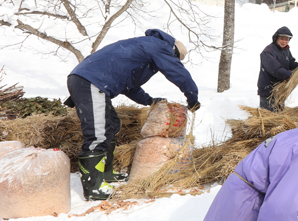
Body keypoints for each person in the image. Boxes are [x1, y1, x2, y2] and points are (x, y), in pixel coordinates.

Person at [66, 29, 200, 201]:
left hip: (93, 81)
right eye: (174, 58)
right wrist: (192, 97)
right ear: (173, 52)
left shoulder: (143, 49)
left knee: (110, 126)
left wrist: (150, 100)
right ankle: (93, 187)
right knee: (97, 133)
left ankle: (106, 175)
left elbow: (129, 86)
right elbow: (178, 73)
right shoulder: (159, 46)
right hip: (91, 81)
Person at [257, 27, 298, 111]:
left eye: (287, 39)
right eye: (282, 39)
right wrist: (289, 75)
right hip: (268, 90)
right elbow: (275, 69)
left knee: (278, 115)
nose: (284, 41)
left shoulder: (285, 50)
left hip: (280, 90)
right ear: (276, 38)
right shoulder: (268, 51)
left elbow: (290, 63)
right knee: (268, 117)